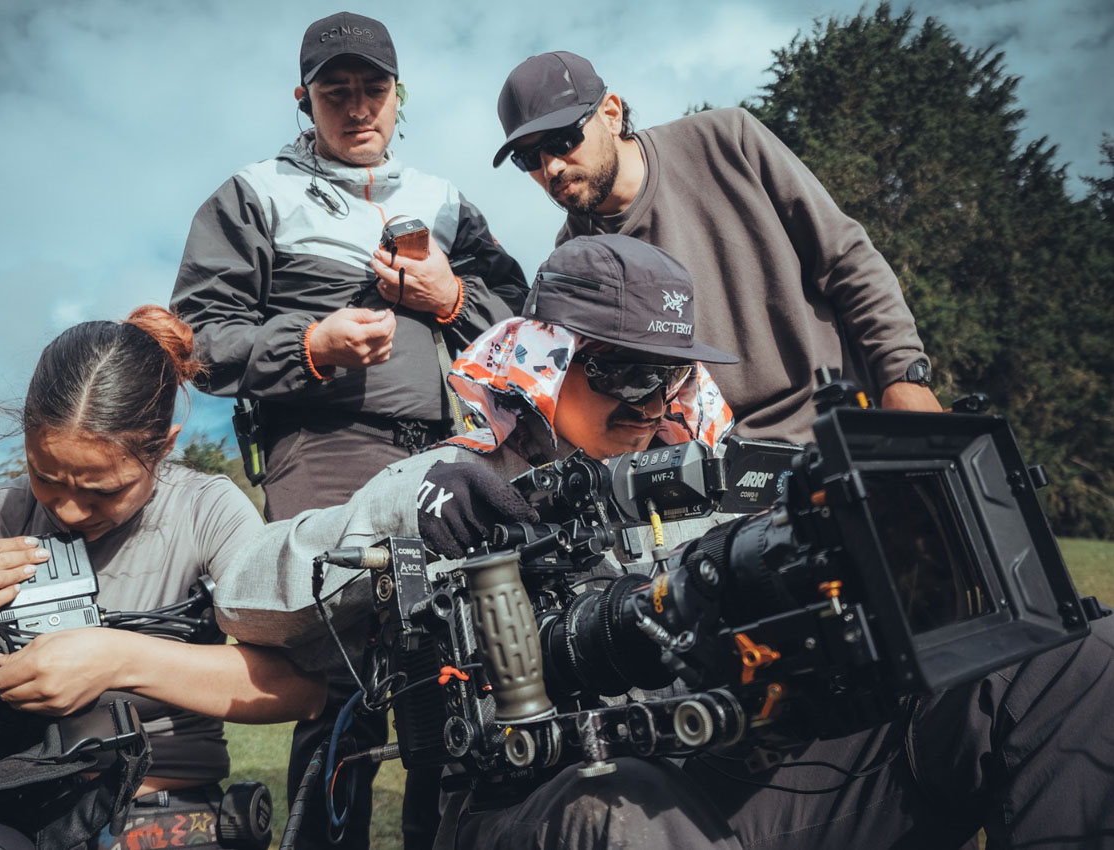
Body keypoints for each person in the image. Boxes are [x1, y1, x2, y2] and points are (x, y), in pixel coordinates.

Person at [209, 235, 1114, 850]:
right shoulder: (447, 478)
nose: (652, 404)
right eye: (624, 371)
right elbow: (248, 587)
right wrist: (409, 518)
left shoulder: (705, 470)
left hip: (743, 765)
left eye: (671, 372)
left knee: (1075, 657)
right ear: (544, 356)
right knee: (617, 819)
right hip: (562, 800)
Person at [170, 14, 526, 848]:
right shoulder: (251, 194)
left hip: (447, 447)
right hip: (321, 451)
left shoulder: (445, 201)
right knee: (345, 674)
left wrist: (451, 302)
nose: (358, 107)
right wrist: (306, 345)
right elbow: (197, 339)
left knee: (456, 662)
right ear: (304, 99)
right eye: (336, 93)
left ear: (401, 95)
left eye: (374, 89)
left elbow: (519, 321)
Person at [0, 306, 325, 850]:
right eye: (46, 478)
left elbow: (299, 689)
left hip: (160, 814)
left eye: (104, 491)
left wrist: (120, 659)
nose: (69, 510)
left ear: (164, 446)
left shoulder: (206, 512)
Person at [491, 51, 943, 444]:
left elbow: (845, 258)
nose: (551, 167)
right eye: (528, 158)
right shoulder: (572, 263)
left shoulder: (728, 139)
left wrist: (903, 375)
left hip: (846, 421)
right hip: (722, 485)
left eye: (562, 140)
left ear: (610, 112)